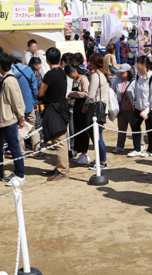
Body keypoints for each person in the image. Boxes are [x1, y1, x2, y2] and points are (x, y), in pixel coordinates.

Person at [38, 47, 70, 182]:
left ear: (47, 59)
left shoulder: (50, 74)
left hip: (53, 109)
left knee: (59, 141)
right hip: (61, 107)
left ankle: (63, 170)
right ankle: (60, 167)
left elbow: (41, 93)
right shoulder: (62, 72)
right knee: (60, 139)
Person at [0, 53, 26, 185]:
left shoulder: (9, 80)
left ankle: (20, 174)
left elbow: (16, 101)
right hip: (9, 118)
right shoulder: (7, 78)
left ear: (0, 65)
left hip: (11, 119)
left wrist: (21, 117)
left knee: (14, 147)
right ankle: (17, 171)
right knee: (13, 146)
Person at [129, 56, 152, 158]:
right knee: (135, 126)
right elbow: (136, 90)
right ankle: (137, 149)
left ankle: (151, 150)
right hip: (138, 106)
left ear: (144, 65)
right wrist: (135, 101)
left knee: (149, 129)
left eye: (139, 63)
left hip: (148, 108)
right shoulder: (137, 76)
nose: (136, 65)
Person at [10, 51, 41, 155]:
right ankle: (37, 150)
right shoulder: (28, 70)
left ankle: (21, 152)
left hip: (16, 105)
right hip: (29, 103)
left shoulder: (10, 72)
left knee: (20, 127)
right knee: (32, 126)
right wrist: (35, 102)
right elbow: (34, 88)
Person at [86, 53, 111, 171]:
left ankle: (102, 161)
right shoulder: (103, 75)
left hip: (95, 109)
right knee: (97, 135)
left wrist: (85, 106)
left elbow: (91, 95)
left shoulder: (96, 76)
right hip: (102, 109)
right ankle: (100, 158)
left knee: (97, 136)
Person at [66, 63, 91, 164]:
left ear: (75, 70)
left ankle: (85, 153)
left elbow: (86, 93)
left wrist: (73, 94)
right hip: (76, 107)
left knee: (83, 131)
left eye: (70, 74)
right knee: (77, 130)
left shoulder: (83, 79)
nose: (70, 76)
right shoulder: (75, 80)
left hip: (83, 107)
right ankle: (81, 153)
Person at [111, 65, 136, 153]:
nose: (121, 74)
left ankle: (140, 145)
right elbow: (111, 91)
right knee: (121, 128)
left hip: (132, 109)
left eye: (123, 73)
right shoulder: (117, 82)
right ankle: (120, 145)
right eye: (120, 73)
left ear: (128, 72)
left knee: (135, 128)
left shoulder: (134, 82)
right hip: (121, 109)